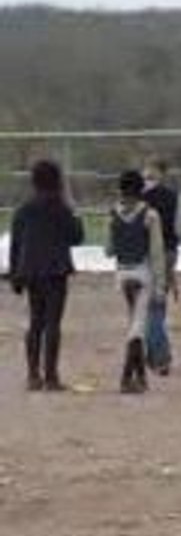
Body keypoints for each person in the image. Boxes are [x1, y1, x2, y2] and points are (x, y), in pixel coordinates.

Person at [6, 160, 85, 391]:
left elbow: (16, 244)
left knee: (35, 322)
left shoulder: (24, 209)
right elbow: (77, 237)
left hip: (31, 269)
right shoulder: (61, 207)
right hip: (56, 270)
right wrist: (75, 210)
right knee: (53, 323)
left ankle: (32, 374)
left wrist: (15, 275)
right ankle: (51, 376)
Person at [105, 170, 166, 394]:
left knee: (134, 322)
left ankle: (140, 377)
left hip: (122, 273)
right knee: (137, 329)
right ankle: (125, 376)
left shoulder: (113, 213)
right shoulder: (150, 215)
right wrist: (160, 285)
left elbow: (108, 250)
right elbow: (156, 253)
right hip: (142, 273)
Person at [141, 156, 181, 375]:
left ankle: (156, 354)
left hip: (139, 255)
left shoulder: (135, 197)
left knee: (145, 307)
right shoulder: (175, 197)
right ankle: (158, 355)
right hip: (167, 253)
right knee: (157, 305)